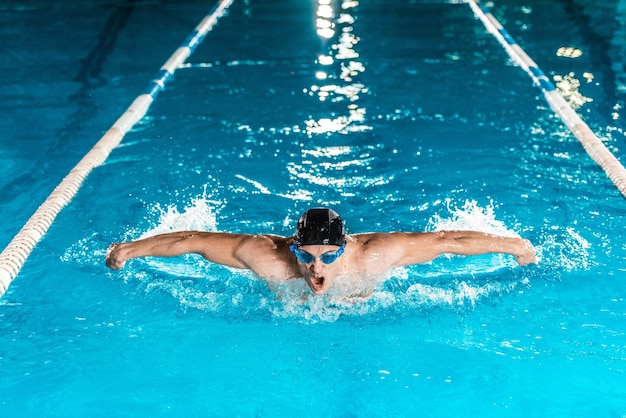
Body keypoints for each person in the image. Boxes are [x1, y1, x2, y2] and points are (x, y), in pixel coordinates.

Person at [106, 207, 537, 296]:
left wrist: (515, 247)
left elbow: (447, 243)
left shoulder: (374, 254)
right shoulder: (266, 256)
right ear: (291, 247)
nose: (315, 268)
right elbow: (194, 240)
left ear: (344, 247)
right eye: (306, 255)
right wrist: (129, 251)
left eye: (328, 257)